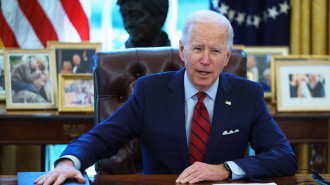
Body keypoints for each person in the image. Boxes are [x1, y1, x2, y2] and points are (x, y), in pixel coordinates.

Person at [35, 10, 297, 185]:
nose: (205, 60)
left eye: (216, 51)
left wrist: (226, 169)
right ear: (183, 50)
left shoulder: (247, 94)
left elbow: (284, 156)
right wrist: (68, 162)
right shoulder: (151, 91)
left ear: (227, 57)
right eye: (197, 48)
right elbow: (101, 137)